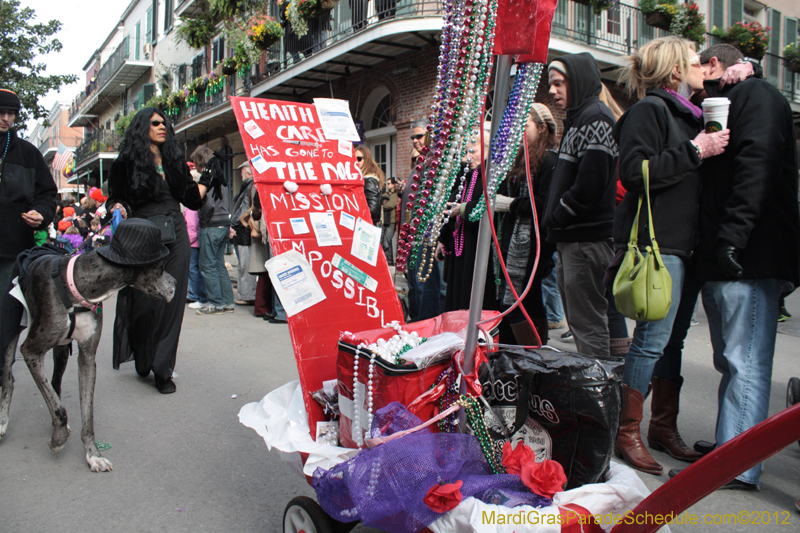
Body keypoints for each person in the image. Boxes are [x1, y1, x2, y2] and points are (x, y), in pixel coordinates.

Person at [670, 43, 800, 490]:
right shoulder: (735, 98)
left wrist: (732, 239)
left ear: (712, 64)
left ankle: (738, 464)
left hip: (748, 255)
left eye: (691, 63)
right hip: (735, 255)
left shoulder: (756, 97)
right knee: (735, 359)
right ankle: (732, 447)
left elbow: (756, 168)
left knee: (744, 360)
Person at [611, 36, 730, 475]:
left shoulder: (689, 113)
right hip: (659, 246)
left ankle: (663, 426)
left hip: (685, 245)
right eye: (697, 63)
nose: (704, 69)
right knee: (651, 341)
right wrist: (696, 150)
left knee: (671, 343)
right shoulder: (651, 110)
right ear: (676, 71)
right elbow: (634, 171)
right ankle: (627, 432)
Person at [107, 108, 209, 394]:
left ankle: (163, 370)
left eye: (164, 122)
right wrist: (118, 207)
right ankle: (142, 352)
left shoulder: (175, 160)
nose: (162, 126)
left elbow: (190, 199)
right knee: (143, 301)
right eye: (155, 123)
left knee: (171, 301)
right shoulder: (125, 163)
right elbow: (117, 198)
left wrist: (207, 179)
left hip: (175, 234)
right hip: (143, 234)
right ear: (143, 128)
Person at [543, 53, 618, 357]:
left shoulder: (595, 117)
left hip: (586, 241)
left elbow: (591, 184)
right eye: (552, 84)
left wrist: (560, 214)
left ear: (578, 82)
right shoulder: (580, 119)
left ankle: (597, 392)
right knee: (583, 322)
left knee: (588, 325)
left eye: (559, 84)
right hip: (574, 239)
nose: (552, 91)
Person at [495, 103, 558, 346]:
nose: (519, 130)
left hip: (534, 243)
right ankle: (523, 353)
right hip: (514, 240)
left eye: (526, 125)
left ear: (542, 128)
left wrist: (510, 204)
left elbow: (543, 205)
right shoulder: (521, 159)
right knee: (522, 300)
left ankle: (533, 351)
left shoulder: (550, 160)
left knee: (523, 300)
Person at [0, 89, 57, 343]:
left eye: (10, 113)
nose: (5, 118)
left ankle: (2, 371)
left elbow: (46, 195)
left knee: (6, 314)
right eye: (0, 112)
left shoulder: (28, 153)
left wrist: (41, 214)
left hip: (13, 250)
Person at [192, 146, 235, 316]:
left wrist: (203, 219)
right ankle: (227, 302)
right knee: (219, 265)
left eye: (196, 163)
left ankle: (216, 303)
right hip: (223, 223)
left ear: (200, 162)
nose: (195, 166)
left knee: (208, 266)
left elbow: (207, 204)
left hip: (211, 225)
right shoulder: (220, 176)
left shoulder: (207, 177)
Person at [231, 161, 256, 305]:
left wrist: (234, 223)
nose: (240, 173)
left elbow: (243, 209)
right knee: (244, 264)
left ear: (247, 171)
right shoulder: (249, 186)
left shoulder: (249, 186)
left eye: (242, 171)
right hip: (245, 230)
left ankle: (247, 295)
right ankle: (244, 293)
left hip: (245, 230)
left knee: (246, 265)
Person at [184, 167, 207, 307]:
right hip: (197, 241)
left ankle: (196, 295)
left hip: (193, 242)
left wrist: (188, 240)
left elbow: (192, 225)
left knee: (193, 270)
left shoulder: (192, 204)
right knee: (197, 269)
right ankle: (196, 294)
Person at [355, 145, 384, 226]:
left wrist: (355, 212)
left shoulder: (369, 180)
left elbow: (373, 210)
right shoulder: (362, 179)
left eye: (359, 159)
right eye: (353, 159)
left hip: (367, 227)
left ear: (366, 160)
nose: (356, 161)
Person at [381, 177, 398, 265]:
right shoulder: (385, 194)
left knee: (386, 240)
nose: (387, 185)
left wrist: (383, 205)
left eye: (389, 183)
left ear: (394, 184)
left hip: (392, 221)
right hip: (385, 221)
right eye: (387, 183)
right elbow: (381, 201)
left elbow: (391, 204)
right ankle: (390, 262)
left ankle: (388, 261)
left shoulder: (396, 194)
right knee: (387, 241)